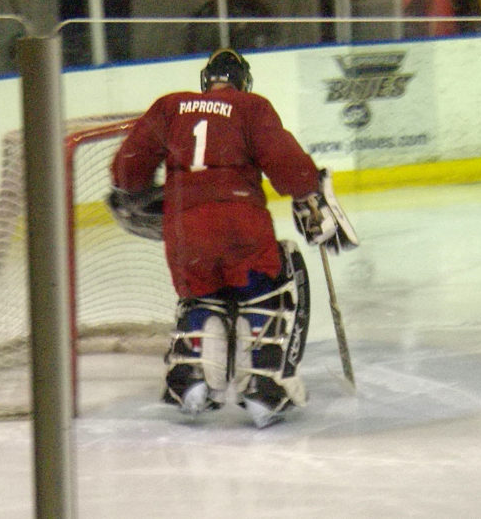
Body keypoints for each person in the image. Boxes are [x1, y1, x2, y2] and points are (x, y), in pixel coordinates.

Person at [109, 48, 358, 428]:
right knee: (265, 285)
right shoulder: (250, 107)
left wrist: (138, 192)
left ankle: (194, 379)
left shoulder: (170, 107)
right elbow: (289, 166)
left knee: (202, 293)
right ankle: (262, 386)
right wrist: (309, 190)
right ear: (243, 82)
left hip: (184, 233)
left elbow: (127, 168)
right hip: (239, 225)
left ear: (205, 82)